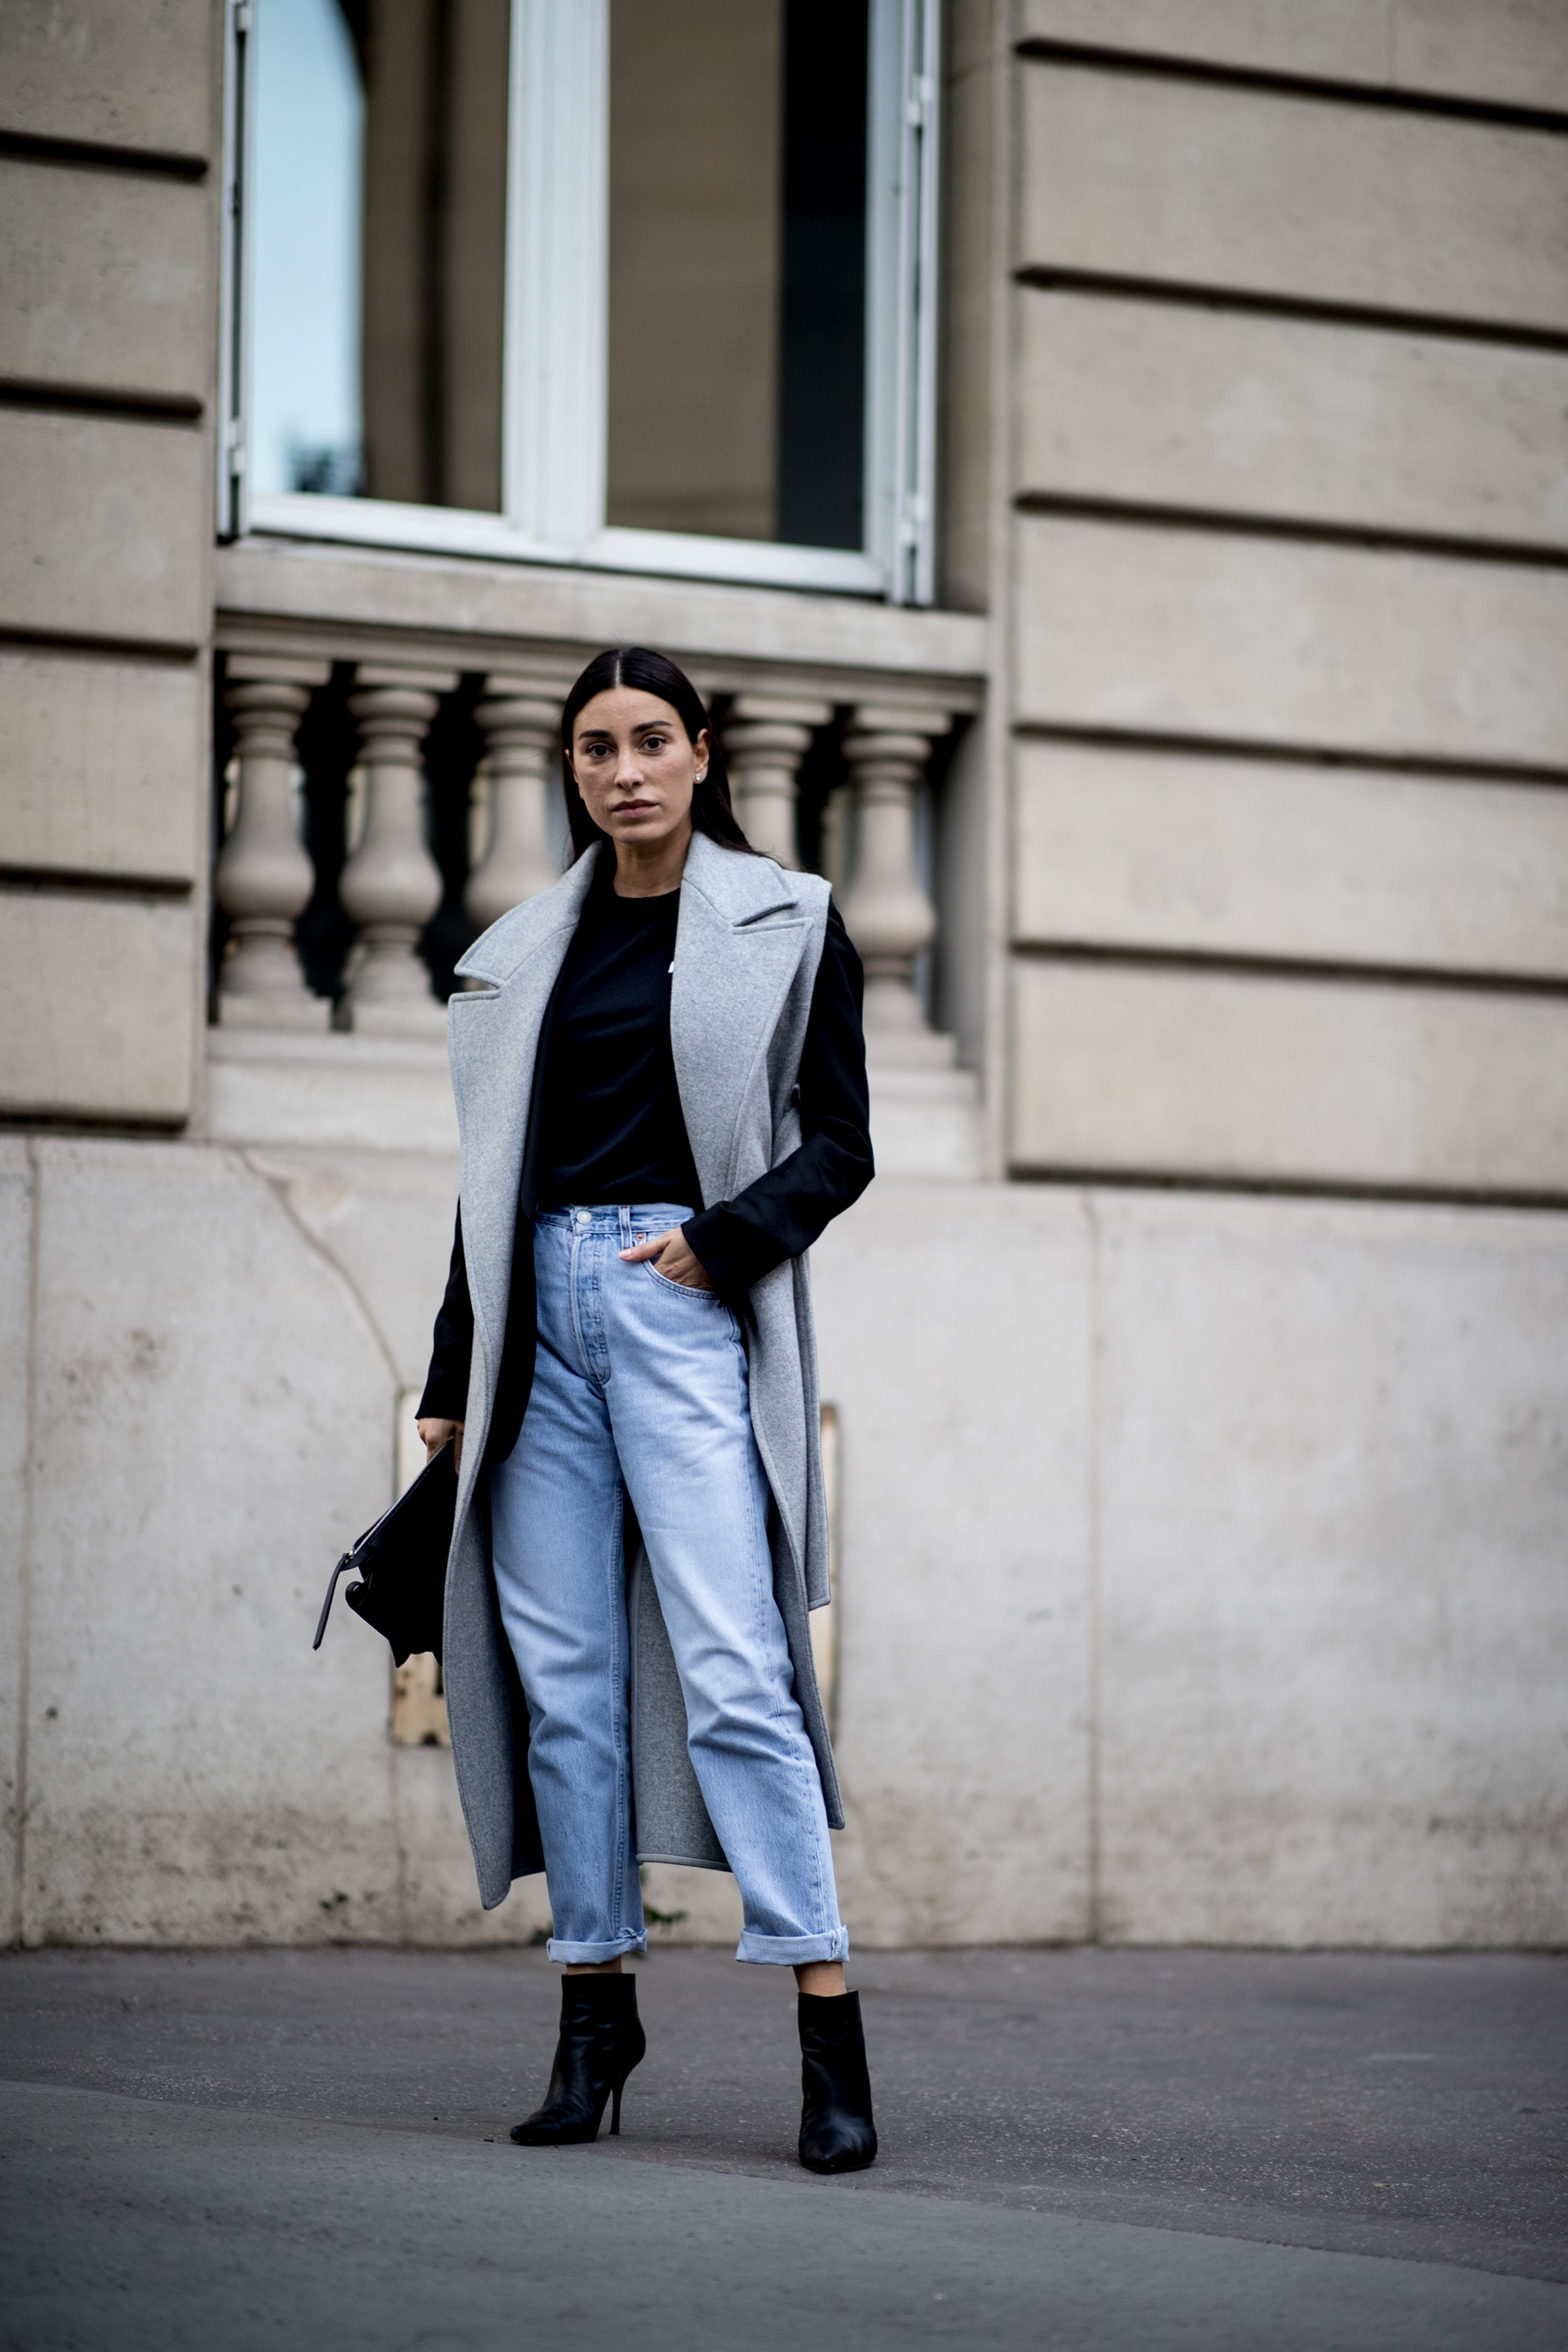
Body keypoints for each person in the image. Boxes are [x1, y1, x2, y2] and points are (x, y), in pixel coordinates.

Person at [415, 645, 877, 2171]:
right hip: (536, 1326)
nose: (623, 770)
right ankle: (593, 2013)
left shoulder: (787, 921)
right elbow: (489, 1186)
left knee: (738, 1664)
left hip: (679, 1299)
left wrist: (722, 1240)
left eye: (650, 742)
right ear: (576, 768)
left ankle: (826, 2022)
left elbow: (839, 1148)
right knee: (568, 1686)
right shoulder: (522, 949)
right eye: (597, 747)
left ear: (699, 752)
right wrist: (448, 1381)